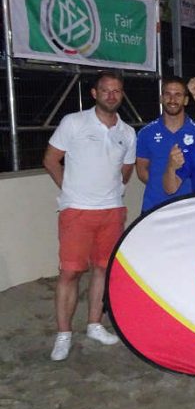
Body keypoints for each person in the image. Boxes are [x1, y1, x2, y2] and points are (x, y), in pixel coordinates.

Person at [43, 71, 136, 361]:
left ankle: (94, 324)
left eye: (117, 91)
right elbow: (50, 159)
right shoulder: (74, 122)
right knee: (69, 272)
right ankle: (63, 334)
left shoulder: (127, 132)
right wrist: (70, 190)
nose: (112, 95)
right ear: (94, 93)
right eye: (106, 90)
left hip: (111, 211)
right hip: (77, 211)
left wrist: (113, 193)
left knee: (102, 269)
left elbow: (127, 169)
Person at [136, 76, 195, 213]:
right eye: (168, 94)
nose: (172, 100)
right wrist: (161, 186)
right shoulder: (146, 133)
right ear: (161, 98)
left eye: (178, 95)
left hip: (189, 208)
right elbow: (142, 171)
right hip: (154, 208)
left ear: (186, 100)